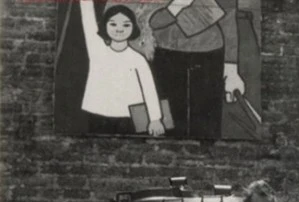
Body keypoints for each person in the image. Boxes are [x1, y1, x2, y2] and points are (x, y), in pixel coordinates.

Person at [148, 0, 245, 138]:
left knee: (206, 124)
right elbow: (147, 18)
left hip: (209, 53)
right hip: (164, 51)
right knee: (168, 121)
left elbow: (229, 19)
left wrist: (231, 69)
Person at [80, 0, 165, 135]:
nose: (119, 29)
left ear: (133, 29)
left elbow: (149, 89)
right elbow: (88, 19)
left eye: (126, 25)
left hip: (129, 116)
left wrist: (155, 119)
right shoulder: (97, 49)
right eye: (113, 24)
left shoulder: (138, 59)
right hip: (97, 112)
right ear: (105, 27)